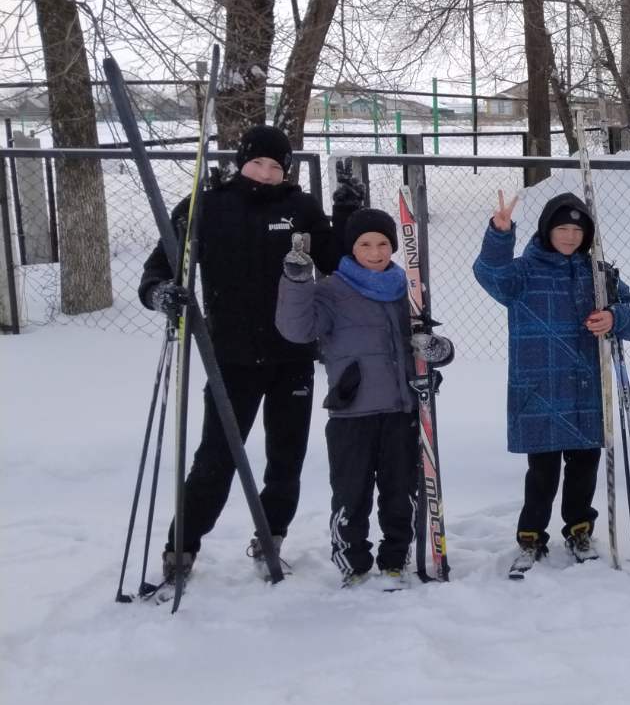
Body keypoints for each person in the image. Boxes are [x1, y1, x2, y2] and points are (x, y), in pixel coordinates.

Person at [137, 124, 361, 585]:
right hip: (231, 359)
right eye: (257, 163)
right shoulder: (207, 207)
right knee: (215, 458)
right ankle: (182, 547)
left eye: (275, 166)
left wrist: (346, 213)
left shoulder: (300, 208)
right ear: (242, 162)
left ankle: (271, 537)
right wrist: (163, 293)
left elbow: (338, 262)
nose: (264, 173)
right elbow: (160, 268)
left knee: (286, 456)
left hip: (292, 355)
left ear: (286, 170)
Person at [275, 210, 452, 587]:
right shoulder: (332, 290)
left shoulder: (409, 290)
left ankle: (395, 558)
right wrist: (296, 280)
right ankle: (353, 563)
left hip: (402, 409)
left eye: (383, 244)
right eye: (365, 244)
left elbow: (429, 343)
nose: (375, 252)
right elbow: (297, 329)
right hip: (351, 412)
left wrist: (437, 350)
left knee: (400, 492)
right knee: (351, 492)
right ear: (352, 248)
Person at [473, 189, 630, 568]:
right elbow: (490, 274)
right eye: (562, 228)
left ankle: (579, 529)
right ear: (547, 230)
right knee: (542, 472)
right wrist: (500, 235)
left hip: (585, 386)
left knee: (584, 467)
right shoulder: (523, 272)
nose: (570, 236)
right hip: (540, 388)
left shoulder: (597, 273)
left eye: (577, 230)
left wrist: (615, 317)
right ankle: (531, 536)